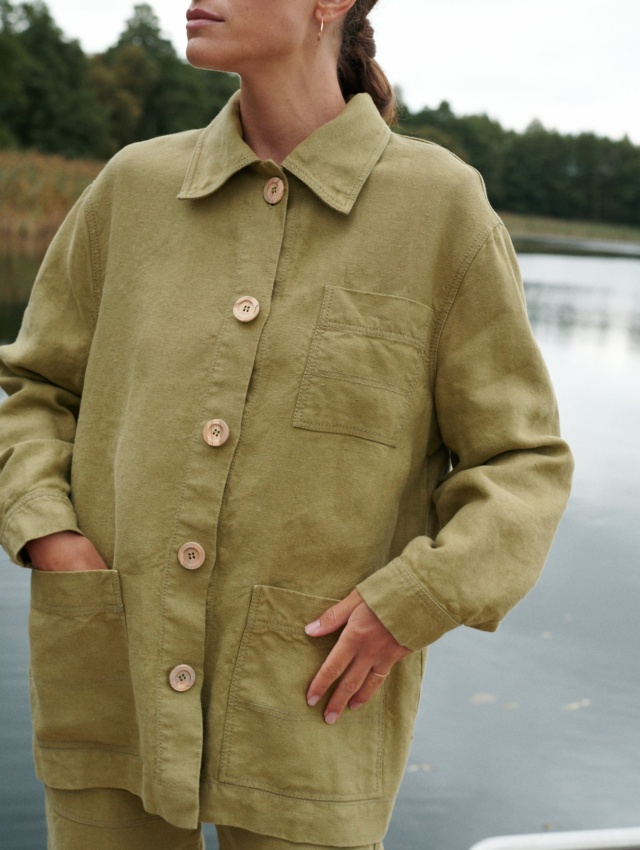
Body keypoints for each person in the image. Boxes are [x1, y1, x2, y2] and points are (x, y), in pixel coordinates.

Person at [0, 1, 574, 848]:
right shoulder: (133, 187)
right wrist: (49, 532)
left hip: (313, 704)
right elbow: (34, 388)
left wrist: (413, 601)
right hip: (107, 673)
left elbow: (523, 462)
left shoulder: (440, 208)